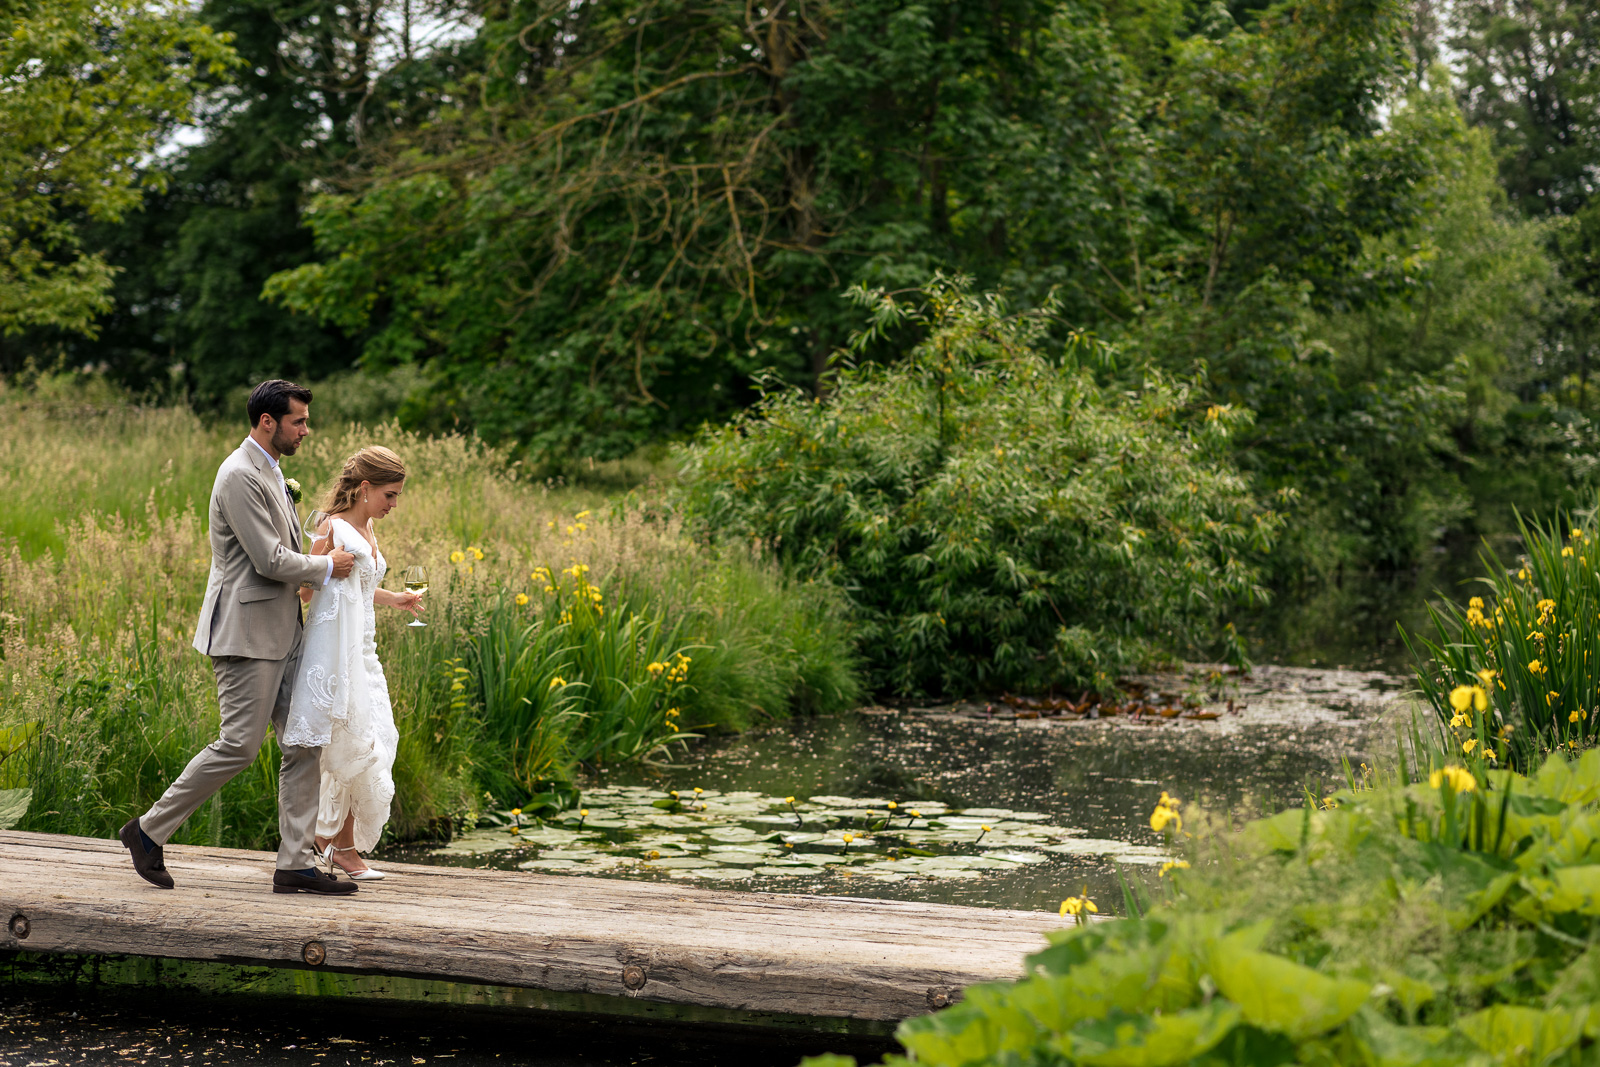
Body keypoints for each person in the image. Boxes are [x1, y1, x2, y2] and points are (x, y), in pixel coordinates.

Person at [120, 380, 361, 895]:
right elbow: (268, 559)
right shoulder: (237, 474)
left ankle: (293, 863)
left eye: (305, 420)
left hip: (283, 630)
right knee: (239, 746)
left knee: (303, 740)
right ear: (267, 422)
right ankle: (146, 831)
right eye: (298, 421)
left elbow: (280, 553)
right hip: (245, 634)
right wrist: (325, 566)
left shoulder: (271, 470)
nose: (305, 429)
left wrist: (307, 573)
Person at [287, 446, 422, 880]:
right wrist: (324, 562)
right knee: (353, 744)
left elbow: (362, 587)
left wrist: (396, 598)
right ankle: (333, 845)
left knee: (375, 740)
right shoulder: (333, 527)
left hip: (367, 653)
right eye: (390, 494)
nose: (394, 504)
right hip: (339, 653)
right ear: (365, 488)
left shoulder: (366, 528)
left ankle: (338, 846)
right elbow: (306, 591)